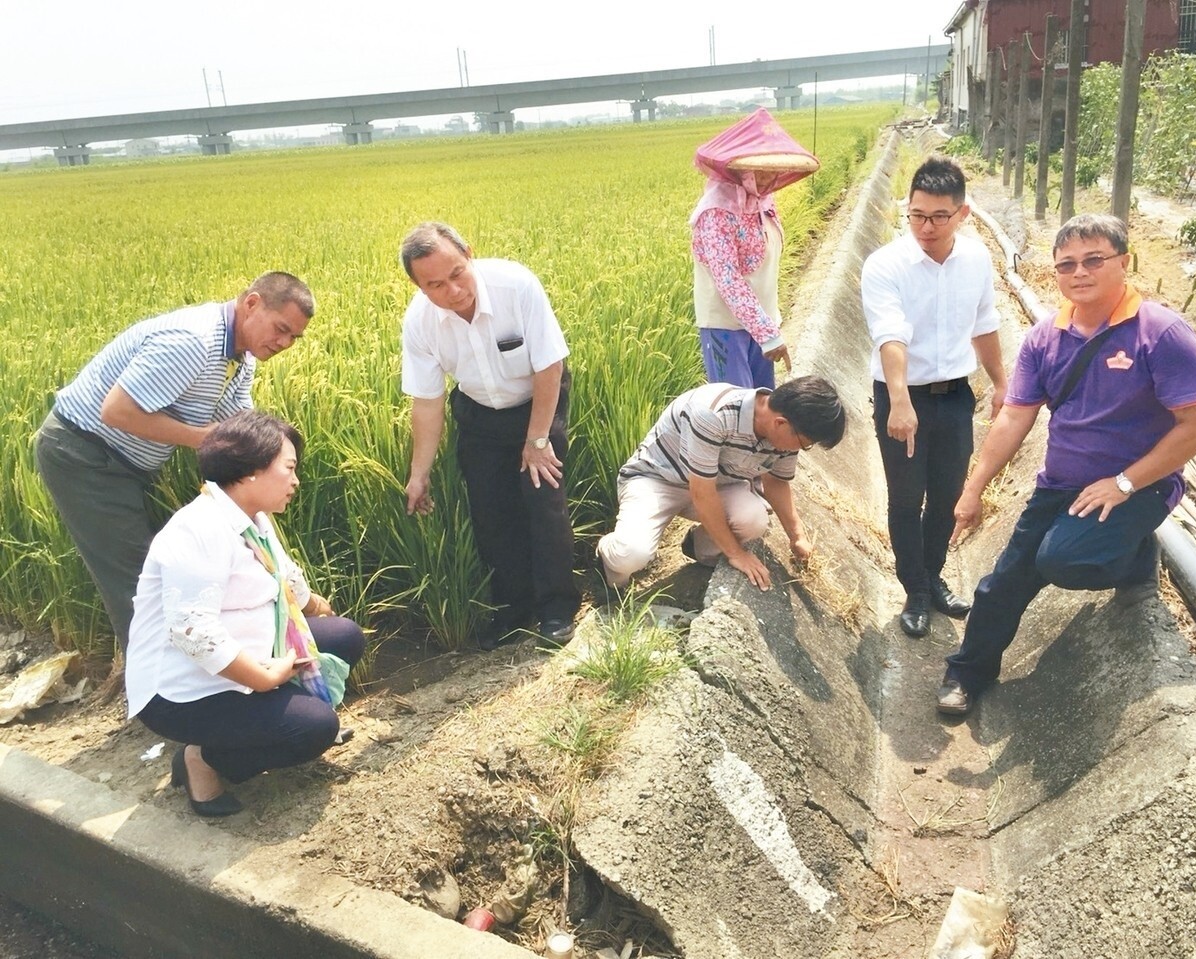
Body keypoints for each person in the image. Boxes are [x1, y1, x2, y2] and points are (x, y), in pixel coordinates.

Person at [936, 213, 1196, 717]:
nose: (1079, 273)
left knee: (1061, 560)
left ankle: (1131, 551)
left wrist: (1125, 482)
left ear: (1123, 263)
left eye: (1094, 260)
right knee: (1001, 585)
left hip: (1137, 485)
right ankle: (966, 674)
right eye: (1066, 265)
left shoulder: (1161, 333)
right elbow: (1013, 419)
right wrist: (973, 488)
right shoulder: (1046, 338)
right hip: (1060, 485)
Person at [35, 272, 314, 650]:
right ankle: (157, 698)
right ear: (251, 304)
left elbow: (240, 431)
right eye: (281, 329)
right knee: (137, 583)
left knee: (157, 573)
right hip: (85, 456)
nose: (284, 343)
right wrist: (206, 438)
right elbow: (117, 412)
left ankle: (191, 678)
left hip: (125, 464)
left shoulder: (239, 358)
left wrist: (277, 456)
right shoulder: (193, 342)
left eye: (293, 338)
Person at [125, 411, 366, 816]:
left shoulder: (251, 516)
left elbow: (282, 573)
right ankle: (204, 759)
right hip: (184, 689)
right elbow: (193, 633)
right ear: (252, 470)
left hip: (248, 647)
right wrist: (265, 677)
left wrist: (314, 607)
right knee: (315, 729)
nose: (296, 480)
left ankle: (259, 722)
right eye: (288, 469)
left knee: (342, 636)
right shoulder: (198, 530)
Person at [399, 221, 581, 650]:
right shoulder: (420, 322)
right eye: (436, 285)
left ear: (470, 254)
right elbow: (428, 400)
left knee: (543, 498)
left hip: (538, 399)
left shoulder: (516, 285)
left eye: (458, 273)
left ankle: (557, 609)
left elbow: (548, 367)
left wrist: (537, 441)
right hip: (479, 412)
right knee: (491, 513)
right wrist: (418, 473)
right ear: (419, 287)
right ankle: (513, 611)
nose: (454, 291)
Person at [861, 156, 1007, 639]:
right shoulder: (886, 265)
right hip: (901, 396)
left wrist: (1001, 382)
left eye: (938, 217)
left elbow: (985, 323)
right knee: (907, 497)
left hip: (954, 398)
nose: (925, 227)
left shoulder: (976, 259)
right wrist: (900, 401)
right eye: (916, 215)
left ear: (962, 214)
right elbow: (891, 336)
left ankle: (935, 574)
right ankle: (916, 590)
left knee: (946, 495)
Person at [597, 375, 846, 593]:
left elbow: (777, 483)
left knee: (754, 520)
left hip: (720, 483)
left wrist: (797, 537)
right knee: (631, 554)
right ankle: (606, 564)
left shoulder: (785, 432)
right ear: (781, 423)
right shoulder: (713, 414)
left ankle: (699, 548)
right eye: (805, 443)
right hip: (658, 479)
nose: (802, 449)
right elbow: (701, 492)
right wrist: (737, 554)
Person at [692, 107, 819, 389]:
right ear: (739, 169)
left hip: (761, 323)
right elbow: (729, 281)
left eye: (771, 170)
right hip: (726, 329)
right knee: (737, 411)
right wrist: (767, 334)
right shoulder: (716, 213)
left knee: (764, 405)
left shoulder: (764, 203)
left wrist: (767, 326)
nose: (765, 178)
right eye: (757, 170)